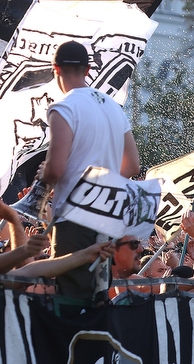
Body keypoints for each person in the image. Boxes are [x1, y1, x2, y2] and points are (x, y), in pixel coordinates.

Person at [41, 41, 141, 305]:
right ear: (87, 71)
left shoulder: (63, 107)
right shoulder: (112, 107)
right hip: (106, 216)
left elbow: (56, 169)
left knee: (72, 297)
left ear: (56, 69)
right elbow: (132, 166)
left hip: (74, 219)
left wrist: (44, 178)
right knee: (98, 296)